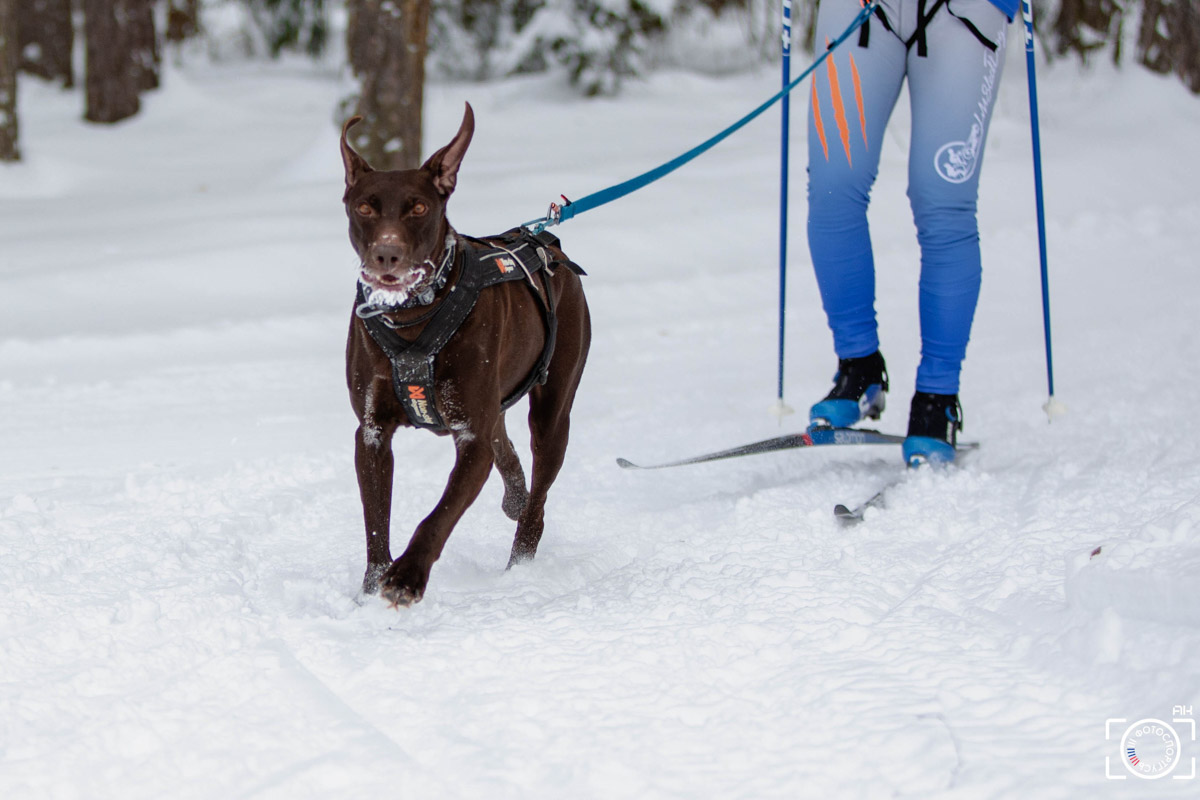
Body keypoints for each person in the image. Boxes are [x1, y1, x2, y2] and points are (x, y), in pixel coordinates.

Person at [804, 0, 1016, 465]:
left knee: (943, 200)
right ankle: (858, 366)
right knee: (833, 188)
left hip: (966, 13)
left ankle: (937, 397)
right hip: (863, 9)